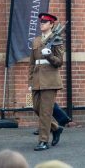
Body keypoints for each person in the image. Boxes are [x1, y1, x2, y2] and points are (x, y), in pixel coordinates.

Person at [28, 12, 64, 151]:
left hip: (50, 81)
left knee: (45, 112)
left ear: (51, 24)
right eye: (41, 22)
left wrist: (49, 55)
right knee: (36, 107)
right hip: (36, 80)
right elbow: (32, 63)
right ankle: (55, 128)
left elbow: (59, 62)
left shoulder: (57, 40)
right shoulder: (36, 41)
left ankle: (43, 141)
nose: (41, 24)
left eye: (44, 22)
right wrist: (30, 82)